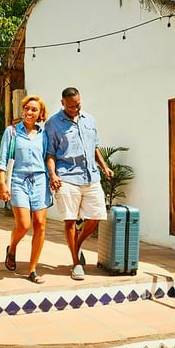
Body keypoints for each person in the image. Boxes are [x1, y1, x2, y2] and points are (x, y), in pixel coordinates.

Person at [45, 87, 114, 280]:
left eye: (78, 104)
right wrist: (53, 175)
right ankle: (76, 263)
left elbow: (95, 148)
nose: (76, 108)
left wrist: (104, 167)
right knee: (70, 220)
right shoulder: (53, 124)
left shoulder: (89, 120)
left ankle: (76, 246)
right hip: (67, 177)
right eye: (71, 106)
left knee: (95, 217)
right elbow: (50, 153)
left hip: (91, 176)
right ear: (63, 103)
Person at [0, 95, 52, 284]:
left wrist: (53, 177)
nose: (29, 112)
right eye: (27, 108)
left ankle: (32, 269)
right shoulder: (11, 132)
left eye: (34, 109)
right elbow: (2, 160)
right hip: (18, 180)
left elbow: (48, 158)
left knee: (40, 225)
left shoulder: (44, 135)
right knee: (24, 224)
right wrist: (3, 183)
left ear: (40, 113)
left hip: (40, 180)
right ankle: (12, 248)